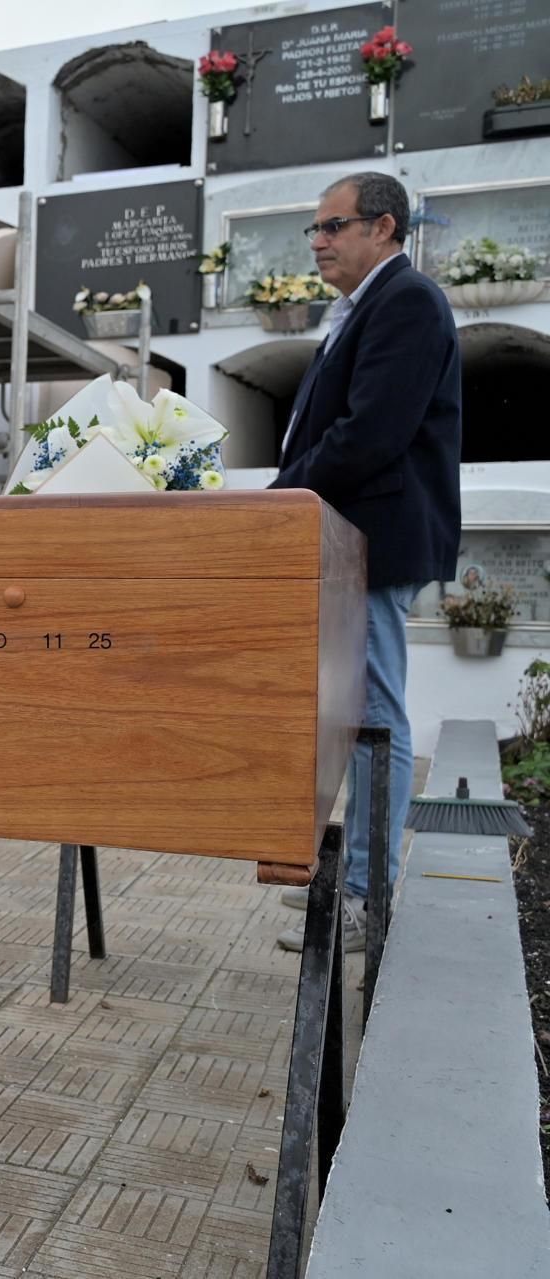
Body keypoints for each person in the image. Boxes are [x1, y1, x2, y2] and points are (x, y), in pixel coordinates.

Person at [271, 171, 462, 952]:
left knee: (375, 716)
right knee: (352, 716)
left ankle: (365, 899)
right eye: (313, 230)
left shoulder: (407, 301)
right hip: (352, 541)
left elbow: (371, 434)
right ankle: (351, 874)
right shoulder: (365, 306)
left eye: (332, 226)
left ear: (383, 227)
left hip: (376, 541)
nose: (317, 241)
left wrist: (283, 493)